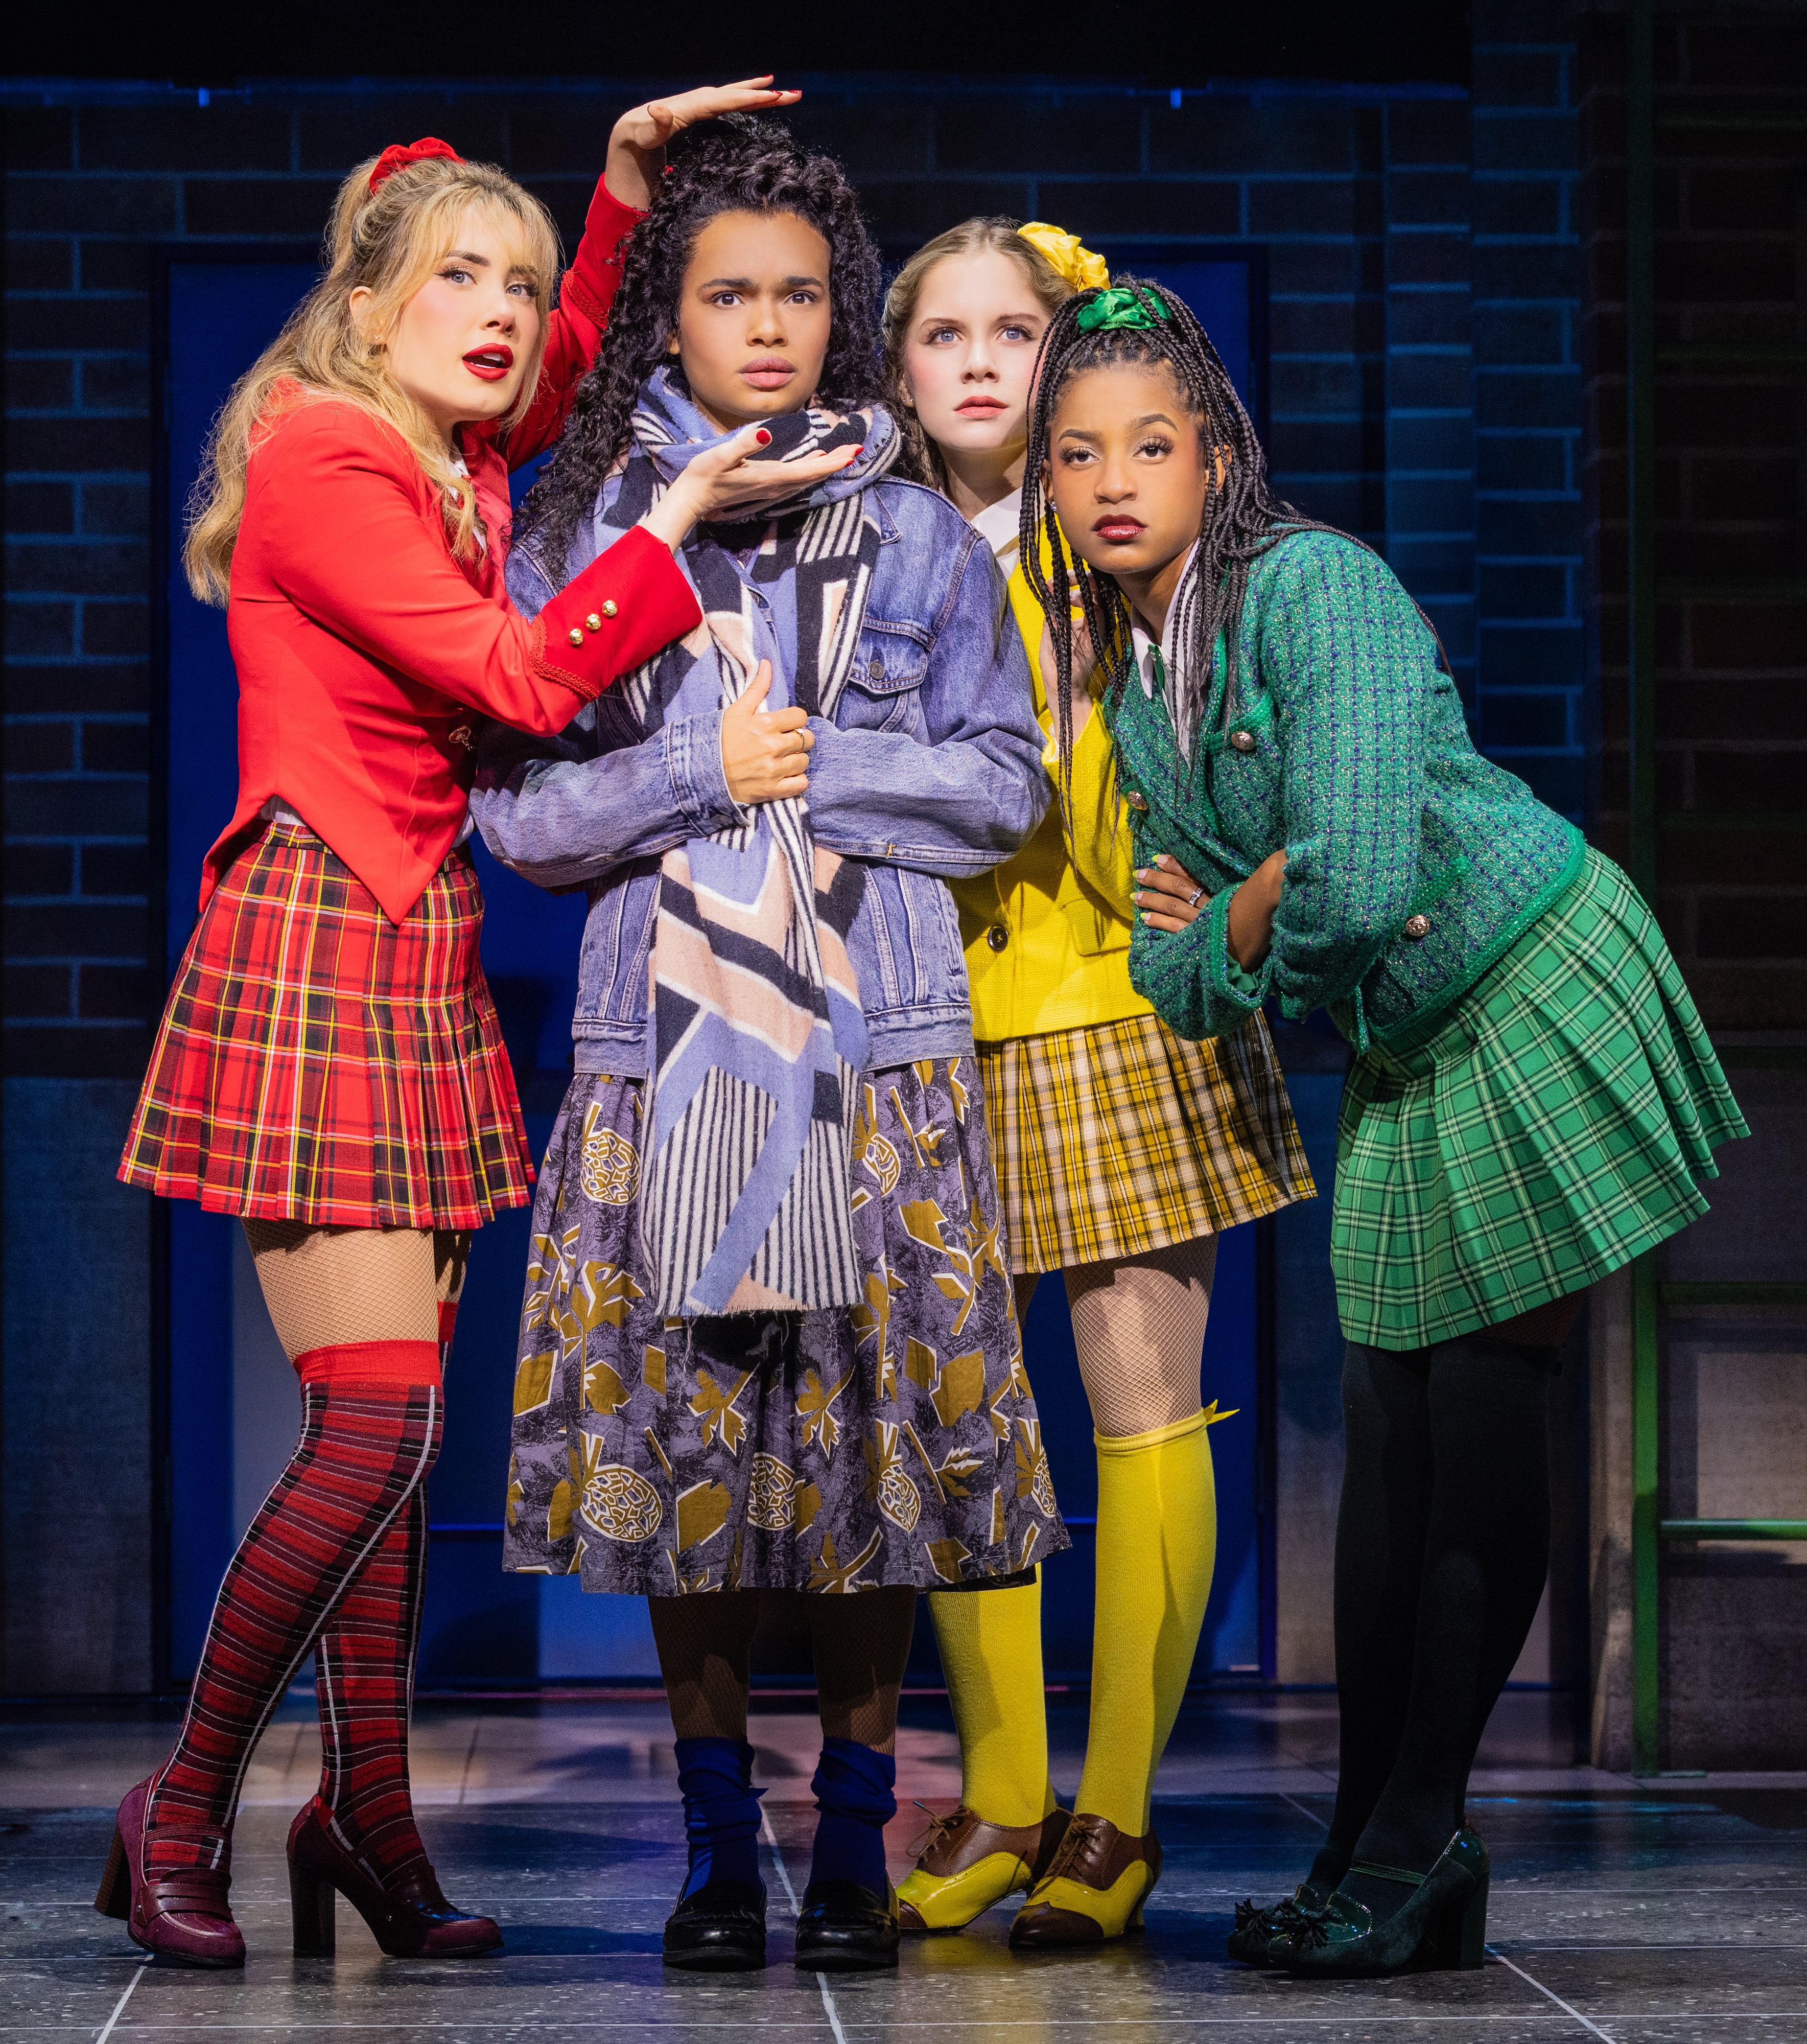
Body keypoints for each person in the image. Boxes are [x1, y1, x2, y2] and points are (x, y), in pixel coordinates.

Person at [102, 82, 851, 1970]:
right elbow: (520, 675)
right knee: (371, 1435)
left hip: (415, 942)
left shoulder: (441, 446)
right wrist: (674, 516)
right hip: (318, 935)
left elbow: (565, 352)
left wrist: (616, 192)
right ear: (367, 306)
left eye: (515, 282)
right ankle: (181, 1802)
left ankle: (366, 1817)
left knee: (399, 1451)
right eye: (460, 278)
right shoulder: (328, 460)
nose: (506, 314)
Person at [1021, 275, 1747, 1978]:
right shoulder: (1137, 673)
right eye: (1077, 455)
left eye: (1149, 446)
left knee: (1482, 1421)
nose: (1113, 482)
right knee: (1386, 1449)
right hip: (1406, 1053)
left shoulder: (1314, 590)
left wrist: (1246, 913)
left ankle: (1422, 1839)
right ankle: (1368, 1838)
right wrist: (1246, 910)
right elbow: (1172, 969)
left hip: (1526, 985)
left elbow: (1346, 883)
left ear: (1215, 459)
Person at [477, 115, 1063, 1977]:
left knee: (871, 1468)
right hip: (665, 1049)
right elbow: (520, 813)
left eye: (803, 296)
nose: (770, 327)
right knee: (698, 1465)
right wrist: (692, 770)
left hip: (878, 1043)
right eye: (731, 294)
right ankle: (722, 1850)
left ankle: (858, 1847)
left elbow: (1007, 787)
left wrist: (815, 765)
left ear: (839, 314)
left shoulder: (914, 530)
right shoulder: (586, 528)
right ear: (673, 314)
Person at [878, 221, 1315, 1947]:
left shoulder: (1127, 527)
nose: (983, 361)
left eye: (1018, 330)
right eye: (947, 334)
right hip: (928, 1018)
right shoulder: (873, 537)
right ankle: (1002, 1794)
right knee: (961, 1422)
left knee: (1143, 1410)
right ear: (899, 366)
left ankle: (1115, 1813)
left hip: (1121, 1000)